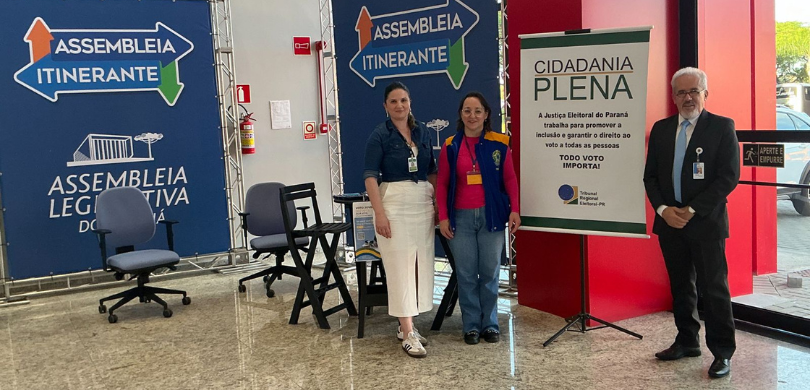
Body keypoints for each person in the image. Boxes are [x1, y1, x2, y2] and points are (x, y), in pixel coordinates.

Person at [643, 67, 740, 379]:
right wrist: (663, 209)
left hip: (706, 223)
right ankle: (687, 341)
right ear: (673, 97)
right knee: (681, 286)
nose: (688, 97)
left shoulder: (722, 127)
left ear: (705, 94)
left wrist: (692, 209)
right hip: (669, 223)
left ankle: (722, 352)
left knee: (714, 289)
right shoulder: (660, 129)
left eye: (693, 91)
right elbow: (651, 177)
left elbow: (728, 177)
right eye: (681, 92)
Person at [436, 91, 520, 345]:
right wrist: (443, 217)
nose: (472, 116)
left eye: (477, 111)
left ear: (486, 115)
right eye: (467, 111)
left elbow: (510, 179)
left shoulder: (500, 143)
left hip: (492, 216)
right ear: (461, 115)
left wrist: (515, 208)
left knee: (490, 271)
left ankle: (490, 324)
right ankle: (471, 325)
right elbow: (442, 184)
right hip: (459, 219)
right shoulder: (451, 145)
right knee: (466, 273)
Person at [363, 81, 437, 358]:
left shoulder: (422, 132)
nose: (399, 106)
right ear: (385, 106)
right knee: (398, 267)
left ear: (410, 103)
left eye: (403, 100)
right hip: (394, 204)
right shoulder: (379, 135)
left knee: (418, 265)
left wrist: (437, 203)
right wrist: (379, 213)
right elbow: (370, 175)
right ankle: (407, 332)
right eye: (393, 101)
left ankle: (408, 323)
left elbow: (432, 170)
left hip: (422, 204)